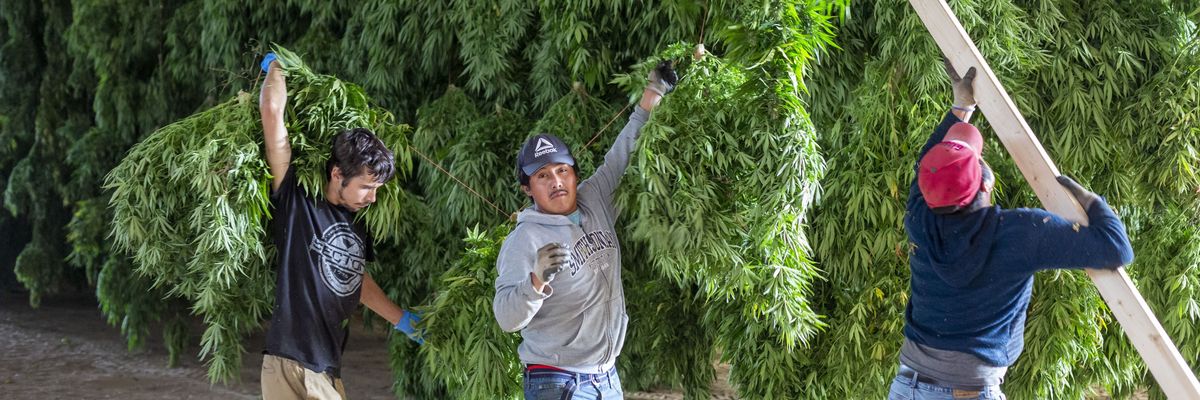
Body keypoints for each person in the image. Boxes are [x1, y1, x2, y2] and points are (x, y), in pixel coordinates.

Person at [889, 60, 1135, 400]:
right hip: (969, 392)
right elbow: (1116, 248)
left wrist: (961, 108)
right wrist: (1092, 202)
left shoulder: (919, 217)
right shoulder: (1020, 233)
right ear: (984, 185)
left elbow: (926, 164)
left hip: (908, 387)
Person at [492, 61, 677, 399]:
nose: (556, 181)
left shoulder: (596, 198)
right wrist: (536, 281)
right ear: (527, 189)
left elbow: (624, 153)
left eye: (562, 170)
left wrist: (654, 91)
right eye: (542, 176)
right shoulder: (525, 240)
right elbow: (506, 317)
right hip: (558, 380)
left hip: (606, 376)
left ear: (575, 174)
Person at [257, 52, 423, 400]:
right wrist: (276, 66)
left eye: (377, 189)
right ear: (337, 173)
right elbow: (272, 112)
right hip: (289, 361)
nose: (372, 198)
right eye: (366, 187)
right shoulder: (297, 200)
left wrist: (402, 320)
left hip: (325, 365)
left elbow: (355, 278)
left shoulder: (357, 223)